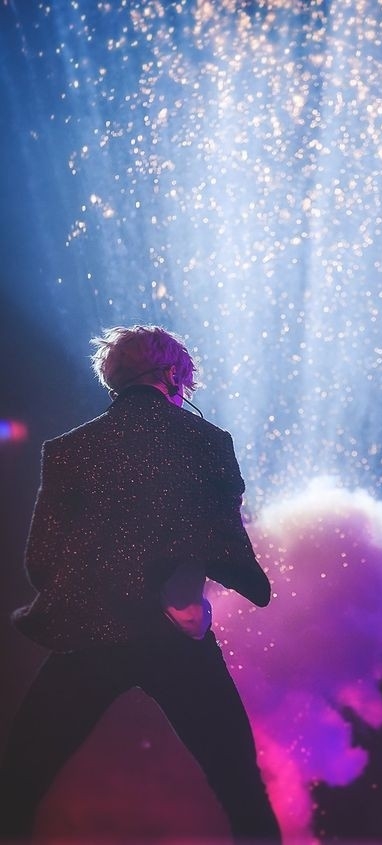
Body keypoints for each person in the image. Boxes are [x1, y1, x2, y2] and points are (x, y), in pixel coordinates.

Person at [0, 325, 282, 843]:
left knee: (18, 784)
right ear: (173, 375)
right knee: (240, 788)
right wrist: (208, 586)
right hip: (173, 637)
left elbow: (41, 561)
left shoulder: (69, 449)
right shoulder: (207, 441)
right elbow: (223, 541)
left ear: (114, 378)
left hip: (87, 635)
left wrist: (94, 581)